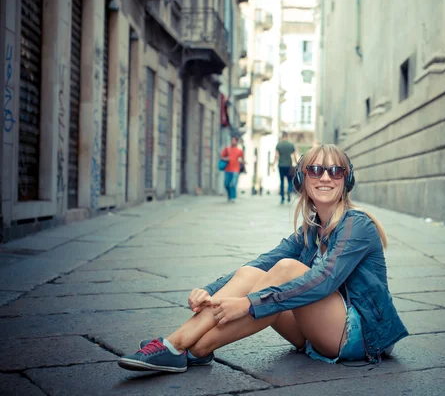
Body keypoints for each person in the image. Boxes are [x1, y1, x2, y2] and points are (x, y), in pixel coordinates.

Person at [117, 144, 408, 373]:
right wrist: (210, 290)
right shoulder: (311, 231)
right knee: (255, 274)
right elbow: (259, 264)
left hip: (359, 336)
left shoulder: (356, 225)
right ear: (302, 178)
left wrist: (248, 304)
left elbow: (323, 281)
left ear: (347, 180)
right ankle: (192, 350)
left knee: (287, 270)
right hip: (317, 331)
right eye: (315, 169)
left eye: (336, 171)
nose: (325, 177)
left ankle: (175, 344)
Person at [272, 132, 298, 204]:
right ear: (287, 136)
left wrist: (273, 165)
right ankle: (289, 193)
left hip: (281, 165)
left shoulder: (279, 145)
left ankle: (282, 197)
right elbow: (294, 155)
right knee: (289, 180)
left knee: (282, 181)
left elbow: (276, 156)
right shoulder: (290, 145)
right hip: (288, 165)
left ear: (282, 136)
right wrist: (296, 164)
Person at [221, 135, 245, 203]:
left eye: (234, 140)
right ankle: (229, 195)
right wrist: (226, 159)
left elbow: (242, 159)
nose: (233, 141)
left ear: (237, 142)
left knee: (233, 184)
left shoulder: (239, 151)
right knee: (226, 184)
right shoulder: (227, 149)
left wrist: (244, 168)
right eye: (232, 140)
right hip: (228, 169)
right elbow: (222, 157)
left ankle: (233, 197)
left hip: (236, 170)